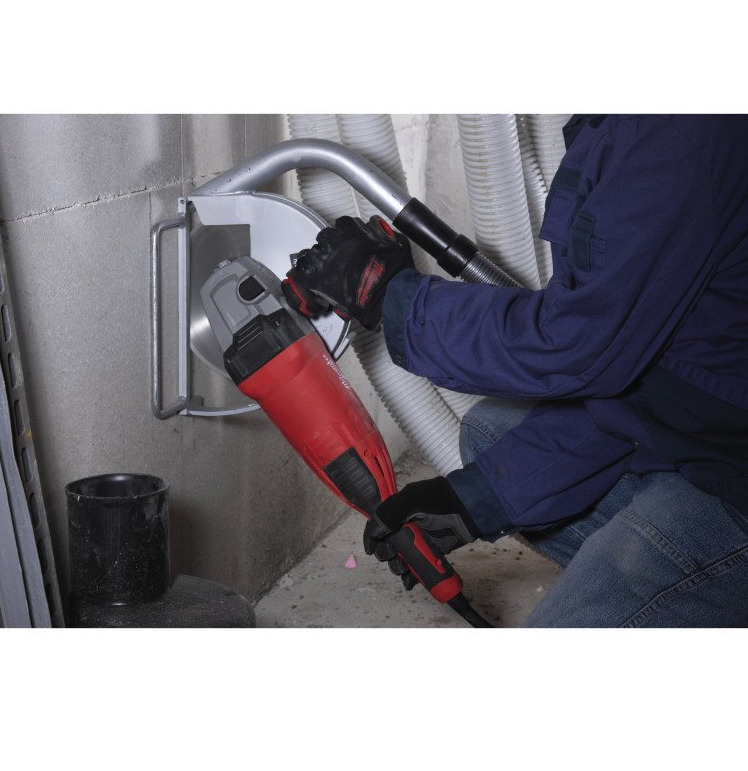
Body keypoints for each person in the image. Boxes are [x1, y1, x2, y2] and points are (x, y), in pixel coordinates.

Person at [283, 115, 748, 627]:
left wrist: (393, 298)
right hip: (709, 429)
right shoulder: (636, 126)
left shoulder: (677, 136)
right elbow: (641, 378)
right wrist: (469, 502)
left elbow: (578, 345)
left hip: (733, 481)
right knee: (490, 432)